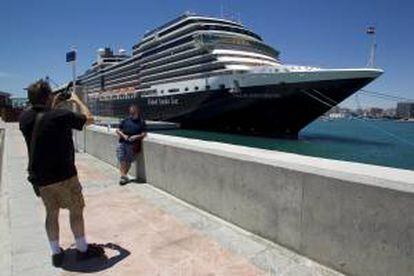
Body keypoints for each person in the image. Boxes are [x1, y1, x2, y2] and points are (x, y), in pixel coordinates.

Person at [19, 80, 105, 267]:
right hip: (65, 176)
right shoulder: (61, 115)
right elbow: (89, 119)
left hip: (41, 179)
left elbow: (43, 120)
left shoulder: (24, 118)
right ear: (48, 96)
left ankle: (56, 254)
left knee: (51, 213)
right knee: (76, 211)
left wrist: (54, 103)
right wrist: (77, 100)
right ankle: (82, 250)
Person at [116, 104, 147, 185]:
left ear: (137, 111)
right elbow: (118, 130)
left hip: (132, 144)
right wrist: (124, 135)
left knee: (128, 161)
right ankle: (123, 177)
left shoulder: (141, 122)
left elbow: (144, 134)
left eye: (133, 111)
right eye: (130, 111)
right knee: (122, 160)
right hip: (122, 142)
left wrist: (136, 136)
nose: (131, 113)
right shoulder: (125, 120)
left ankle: (124, 176)